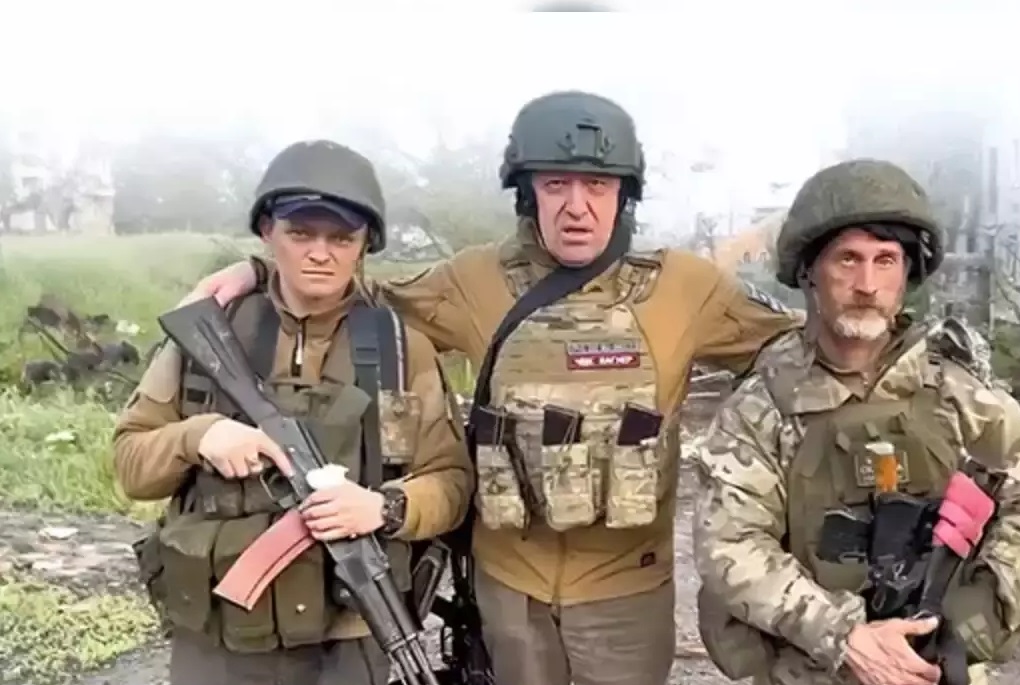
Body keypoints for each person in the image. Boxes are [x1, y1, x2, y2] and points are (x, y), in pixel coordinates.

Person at [187, 89, 801, 685]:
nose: (577, 206)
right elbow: (356, 294)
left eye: (597, 185)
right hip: (510, 591)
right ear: (527, 193)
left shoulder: (685, 288)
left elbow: (801, 349)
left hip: (627, 594)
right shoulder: (476, 279)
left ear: (624, 195)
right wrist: (261, 269)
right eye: (555, 185)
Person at [693, 158, 1020, 685]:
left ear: (906, 275)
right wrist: (845, 636)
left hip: (933, 665)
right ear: (809, 273)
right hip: (809, 669)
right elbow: (729, 545)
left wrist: (981, 609)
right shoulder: (765, 407)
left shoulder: (955, 391)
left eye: (886, 260)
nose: (867, 284)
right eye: (847, 259)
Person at [115, 139, 473, 685]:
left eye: (341, 238)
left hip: (349, 634)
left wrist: (384, 507)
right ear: (267, 232)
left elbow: (452, 482)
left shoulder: (401, 349)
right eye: (301, 234)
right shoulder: (211, 335)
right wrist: (198, 436)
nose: (320, 254)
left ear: (364, 245)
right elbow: (131, 464)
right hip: (220, 634)